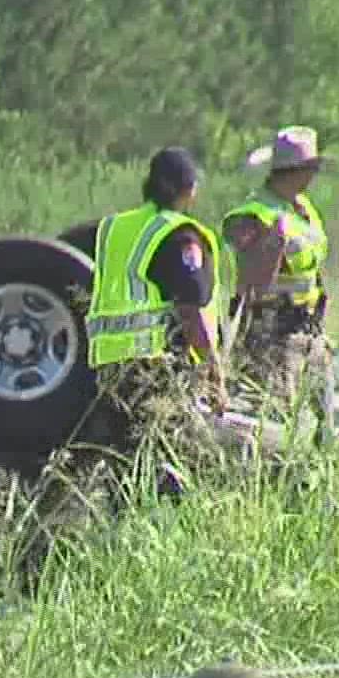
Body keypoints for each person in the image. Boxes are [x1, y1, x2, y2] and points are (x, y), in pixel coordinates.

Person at [81, 145, 226, 473]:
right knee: (170, 465)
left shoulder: (114, 228)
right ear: (189, 189)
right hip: (156, 368)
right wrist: (213, 370)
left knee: (124, 470)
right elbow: (190, 307)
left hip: (108, 367)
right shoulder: (179, 234)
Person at [222, 125, 335, 447]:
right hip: (274, 334)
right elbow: (251, 281)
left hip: (310, 330)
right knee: (277, 428)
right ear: (299, 171)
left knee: (321, 430)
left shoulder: (303, 209)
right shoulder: (254, 215)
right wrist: (271, 242)